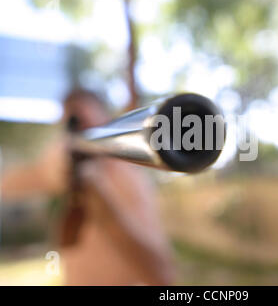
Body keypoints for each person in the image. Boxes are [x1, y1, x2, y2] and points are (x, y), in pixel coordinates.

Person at [1, 88, 175, 285]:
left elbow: (161, 273)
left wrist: (98, 195)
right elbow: (8, 184)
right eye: (71, 126)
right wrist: (51, 169)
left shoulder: (126, 177)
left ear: (108, 121)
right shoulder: (59, 160)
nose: (78, 130)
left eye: (85, 122)